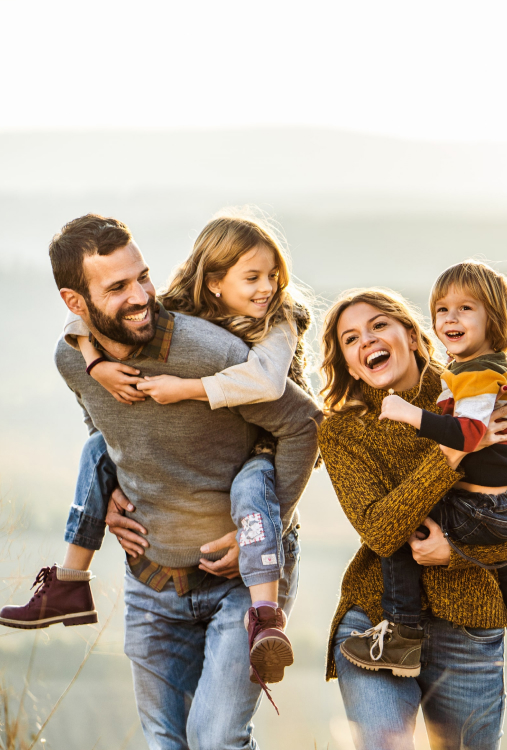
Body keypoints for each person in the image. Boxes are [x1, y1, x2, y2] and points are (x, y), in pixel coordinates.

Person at [9, 214, 320, 748]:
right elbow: (102, 425)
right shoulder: (73, 359)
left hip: (242, 582)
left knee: (216, 738)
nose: (141, 296)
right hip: (151, 583)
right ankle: (69, 585)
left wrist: (263, 528)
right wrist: (107, 496)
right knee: (165, 742)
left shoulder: (214, 351)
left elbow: (304, 423)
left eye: (142, 277)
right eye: (118, 287)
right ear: (75, 303)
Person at [317, 288, 507, 749]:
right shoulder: (342, 432)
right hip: (376, 622)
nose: (366, 341)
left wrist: (457, 551)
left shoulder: (476, 390)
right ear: (349, 364)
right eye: (350, 339)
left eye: (377, 326)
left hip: (471, 626)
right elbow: (381, 530)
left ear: (410, 334)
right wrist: (452, 451)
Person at [359, 260, 507, 685]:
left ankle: (401, 635)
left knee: (398, 526)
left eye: (466, 308)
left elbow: (467, 435)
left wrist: (410, 414)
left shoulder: (478, 375)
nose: (450, 317)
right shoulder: (499, 369)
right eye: (442, 309)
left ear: (494, 320)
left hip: (481, 506)